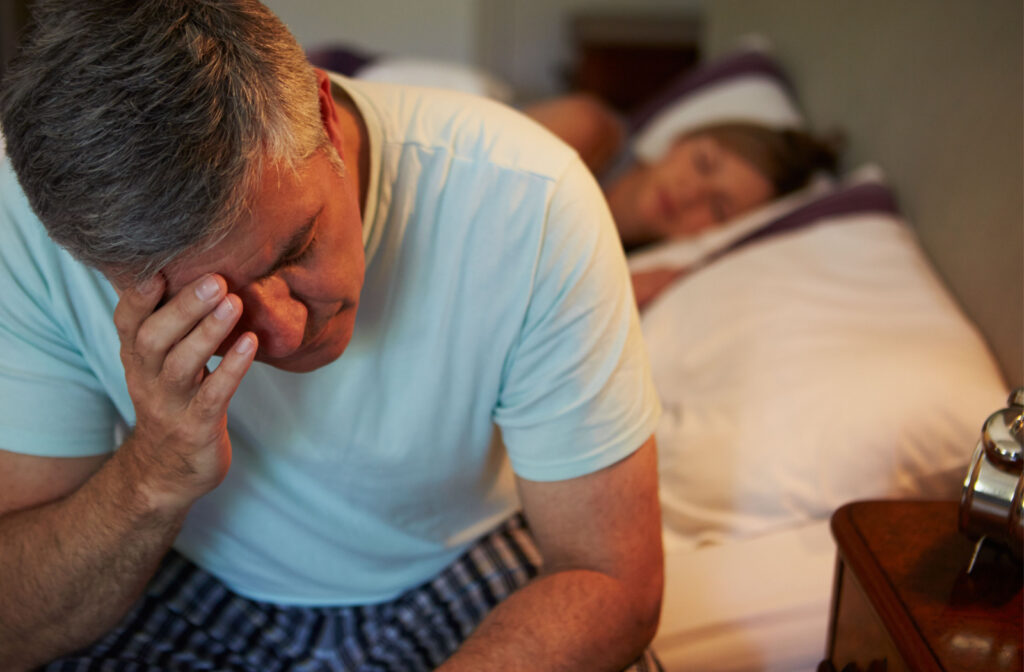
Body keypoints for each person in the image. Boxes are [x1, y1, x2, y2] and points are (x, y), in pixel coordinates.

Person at [0, 2, 662, 671]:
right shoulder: (25, 222)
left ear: (326, 119)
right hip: (188, 573)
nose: (286, 332)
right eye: (209, 305)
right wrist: (154, 474)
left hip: (453, 558)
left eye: (297, 247)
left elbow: (612, 578)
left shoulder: (528, 198)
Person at [525, 94, 838, 309]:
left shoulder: (643, 273)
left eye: (718, 208)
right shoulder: (585, 132)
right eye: (702, 163)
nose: (690, 194)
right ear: (681, 138)